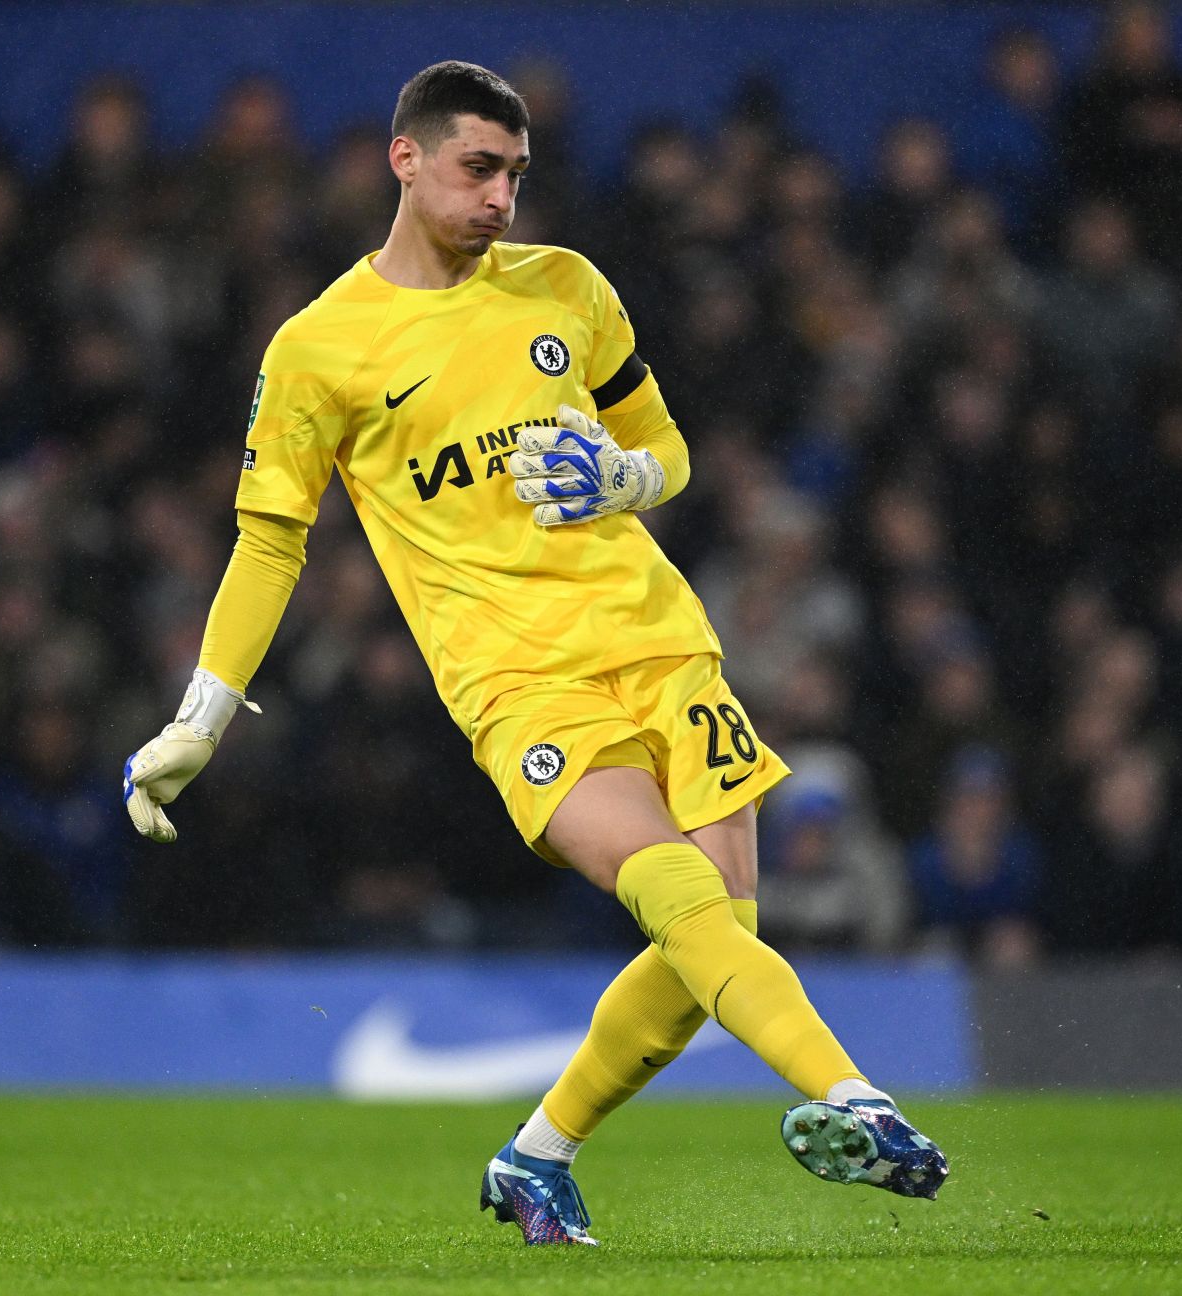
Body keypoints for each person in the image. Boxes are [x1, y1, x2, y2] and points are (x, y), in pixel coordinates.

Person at [117, 62, 947, 1247]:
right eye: (478, 168)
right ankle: (854, 1098)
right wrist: (201, 720)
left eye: (516, 172)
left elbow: (667, 446)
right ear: (404, 160)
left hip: (664, 645)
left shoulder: (568, 289)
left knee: (725, 934)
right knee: (679, 894)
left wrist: (627, 476)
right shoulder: (321, 349)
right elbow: (267, 547)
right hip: (520, 683)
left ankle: (535, 1157)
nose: (502, 194)